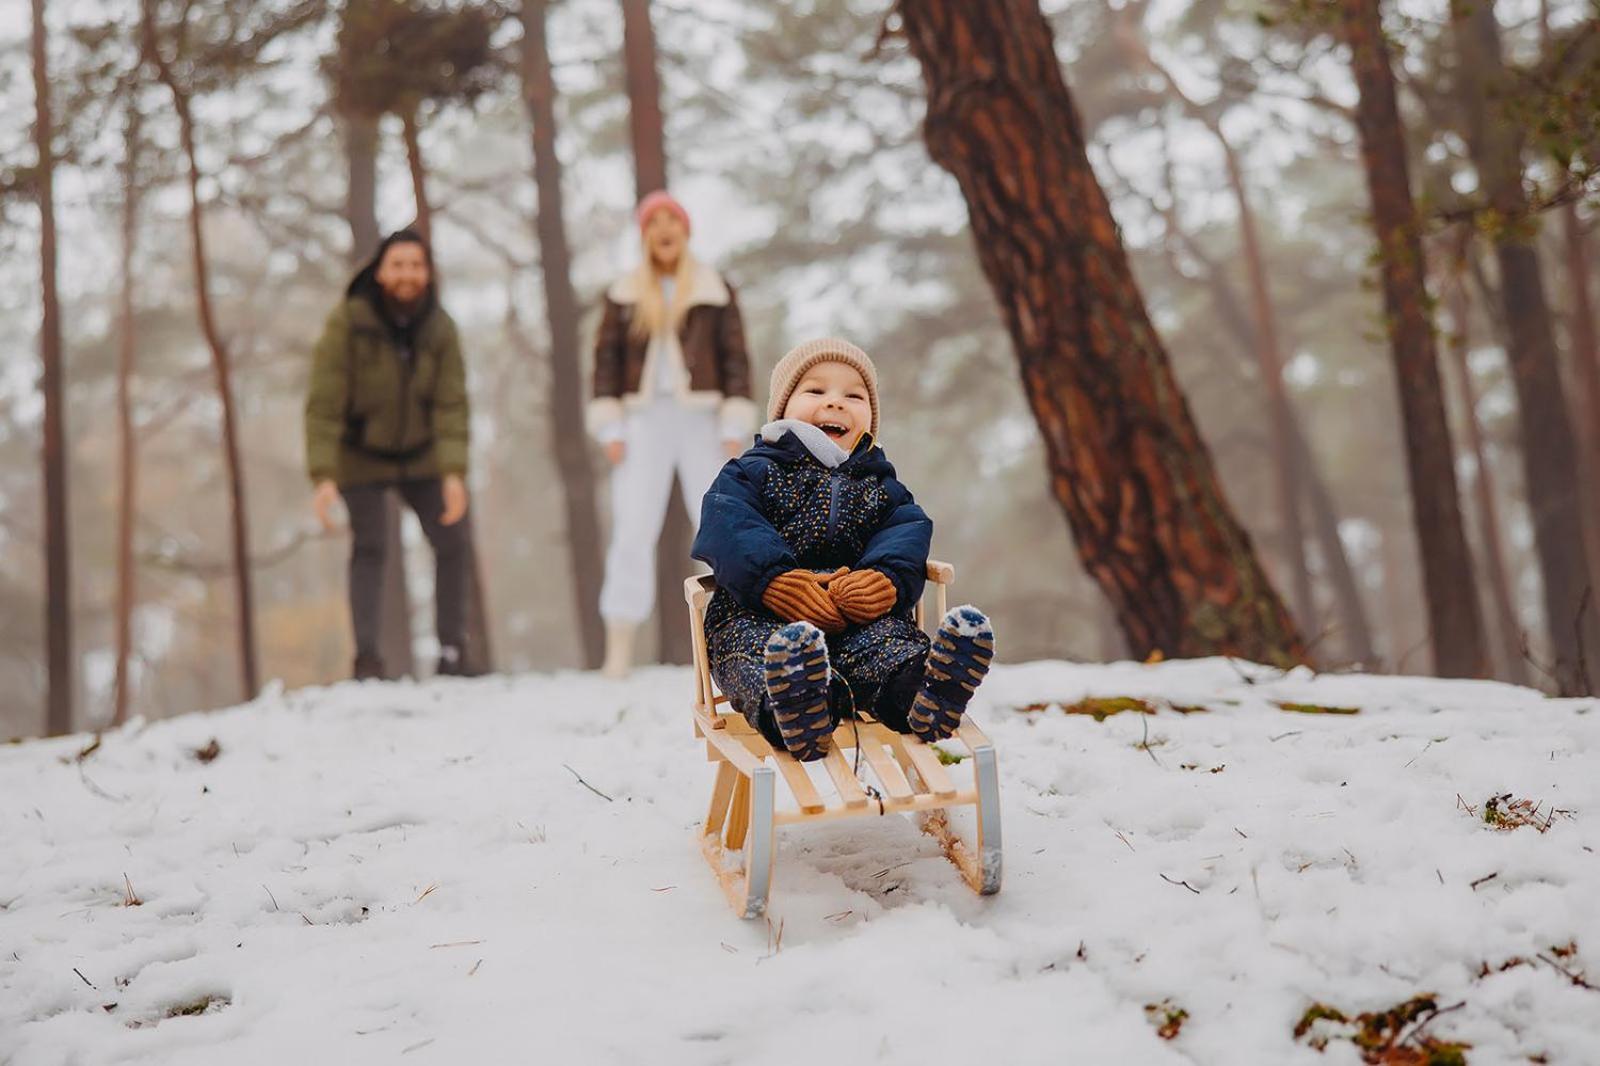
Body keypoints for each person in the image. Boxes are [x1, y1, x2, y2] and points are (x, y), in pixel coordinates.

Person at [690, 338, 995, 761]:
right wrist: (775, 580)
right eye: (815, 391)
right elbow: (729, 525)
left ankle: (927, 692)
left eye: (854, 396)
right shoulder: (750, 472)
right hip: (761, 617)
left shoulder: (882, 486)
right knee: (756, 657)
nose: (835, 403)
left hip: (857, 623)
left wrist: (883, 581)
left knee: (890, 647)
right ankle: (799, 708)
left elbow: (905, 534)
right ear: (781, 408)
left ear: (871, 417)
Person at [590, 191, 755, 677]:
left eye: (672, 221)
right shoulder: (623, 294)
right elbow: (605, 363)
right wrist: (612, 425)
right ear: (644, 235)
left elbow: (735, 357)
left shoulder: (713, 289)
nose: (664, 229)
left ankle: (733, 635)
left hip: (702, 419)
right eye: (654, 222)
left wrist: (732, 420)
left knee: (719, 521)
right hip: (643, 421)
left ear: (685, 231)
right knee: (632, 526)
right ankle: (619, 646)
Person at [304, 229, 471, 681]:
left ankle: (453, 651)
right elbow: (324, 402)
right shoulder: (348, 322)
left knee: (453, 541)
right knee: (371, 546)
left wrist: (453, 472)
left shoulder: (440, 327)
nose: (407, 274)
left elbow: (451, 404)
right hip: (361, 454)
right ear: (379, 272)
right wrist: (323, 476)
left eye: (415, 265)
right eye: (397, 265)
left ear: (427, 272)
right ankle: (368, 661)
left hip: (422, 455)